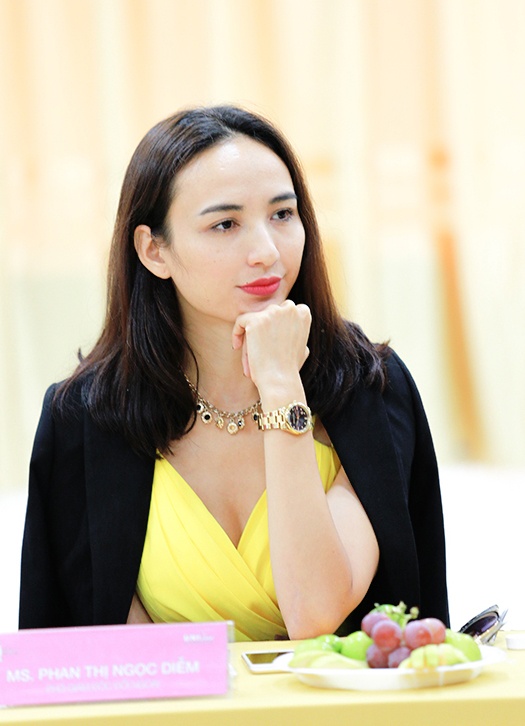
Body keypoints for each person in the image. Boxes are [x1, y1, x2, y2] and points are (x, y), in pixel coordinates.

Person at [19, 105, 449, 641]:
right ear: (154, 250)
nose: (267, 252)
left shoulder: (369, 388)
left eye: (283, 215)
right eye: (225, 224)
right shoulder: (86, 419)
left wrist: (281, 386)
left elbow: (314, 612)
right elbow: (99, 651)